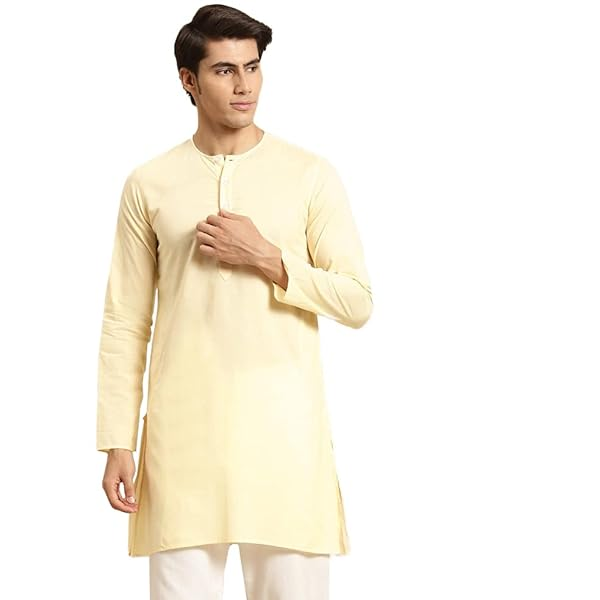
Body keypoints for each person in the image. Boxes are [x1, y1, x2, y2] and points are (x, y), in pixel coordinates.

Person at [96, 4, 373, 599]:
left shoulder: (309, 175)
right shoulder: (150, 183)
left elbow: (357, 300)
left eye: (252, 67)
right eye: (224, 70)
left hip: (285, 441)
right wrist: (118, 439)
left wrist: (267, 257)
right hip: (181, 446)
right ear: (189, 80)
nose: (244, 85)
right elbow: (125, 320)